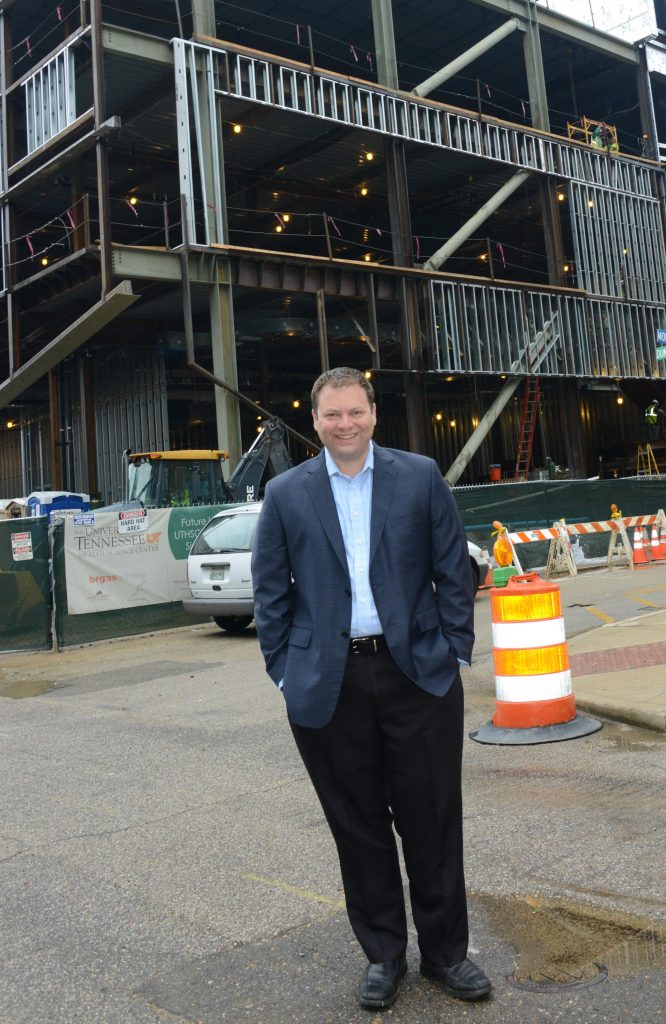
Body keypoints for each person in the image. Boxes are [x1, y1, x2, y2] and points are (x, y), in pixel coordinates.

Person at [251, 366, 491, 1010]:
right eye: (332, 415)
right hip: (328, 684)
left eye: (355, 411)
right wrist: (284, 671)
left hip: (418, 675)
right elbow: (271, 594)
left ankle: (447, 956)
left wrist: (453, 652)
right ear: (316, 420)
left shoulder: (419, 477)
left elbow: (453, 570)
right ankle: (384, 955)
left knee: (432, 818)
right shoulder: (285, 493)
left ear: (374, 413)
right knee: (357, 826)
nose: (345, 424)